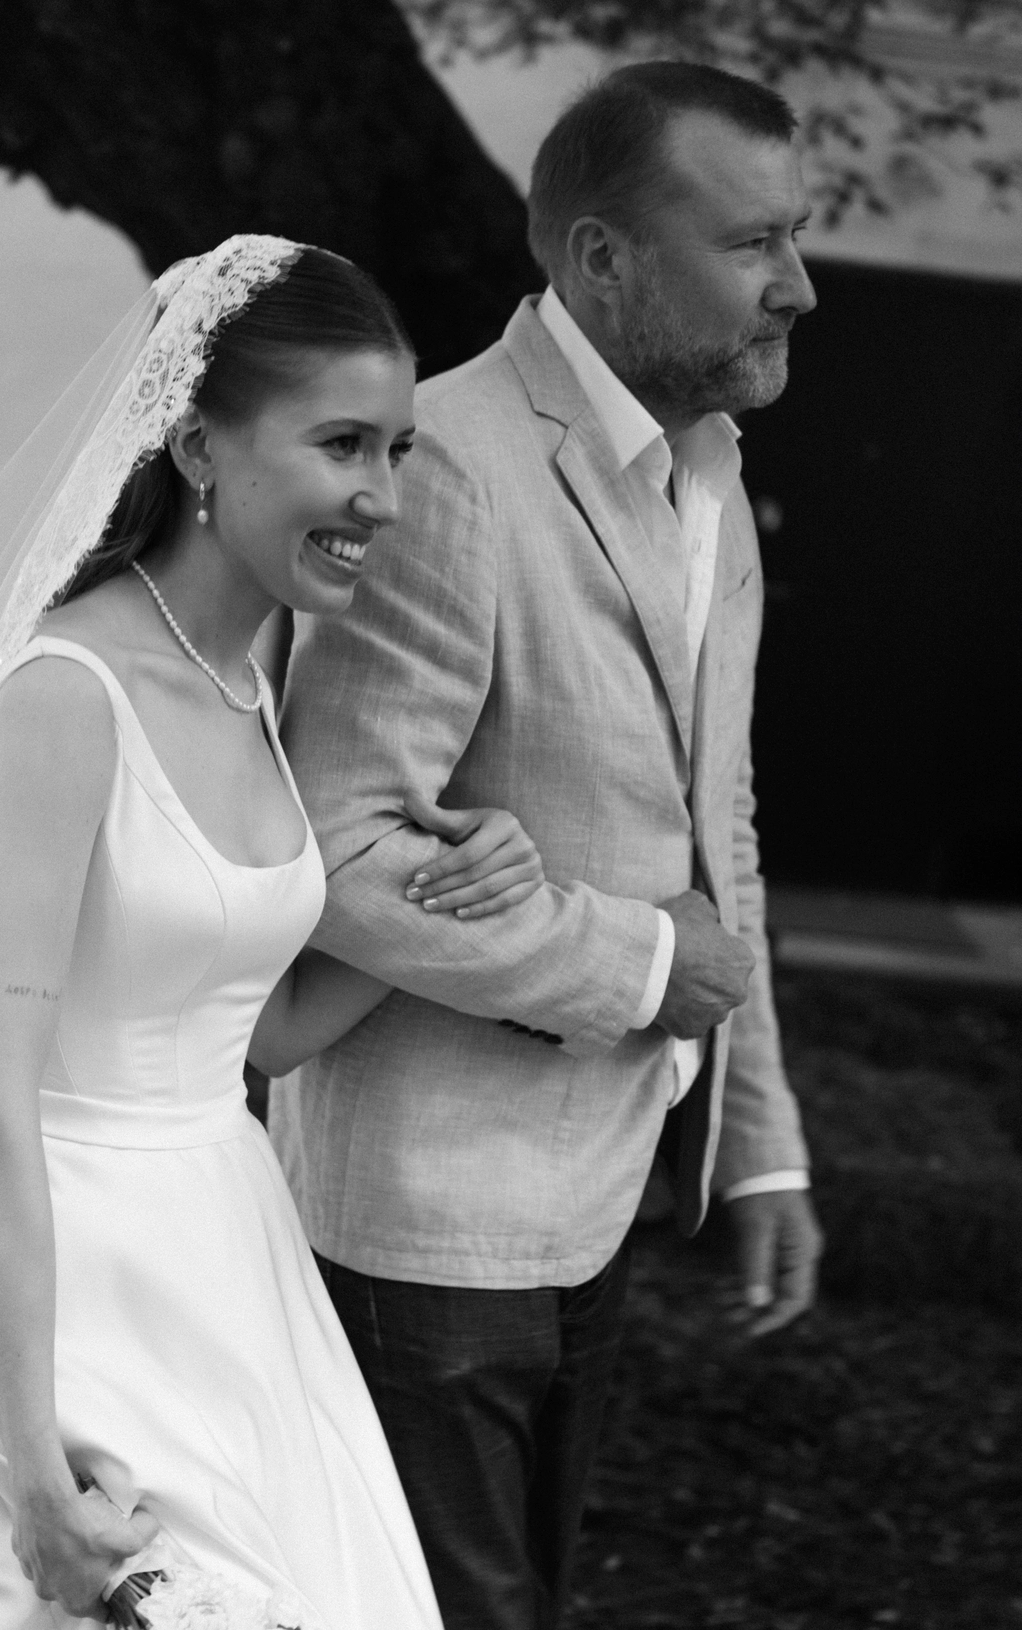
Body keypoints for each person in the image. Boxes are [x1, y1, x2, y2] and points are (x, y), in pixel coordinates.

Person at [0, 237, 546, 1628]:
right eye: (343, 444)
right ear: (197, 449)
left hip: (223, 1254)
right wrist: (36, 1474)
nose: (384, 496)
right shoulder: (67, 693)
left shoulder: (248, 684)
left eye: (400, 450)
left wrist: (454, 891)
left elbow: (259, 1030)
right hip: (45, 1273)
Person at [273, 61, 824, 1630]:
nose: (800, 284)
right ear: (602, 259)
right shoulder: (442, 463)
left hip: (608, 1189)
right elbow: (337, 846)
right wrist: (643, 965)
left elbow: (718, 828)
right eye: (753, 243)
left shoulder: (712, 471)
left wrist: (761, 1138)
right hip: (427, 1217)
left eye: (793, 236)